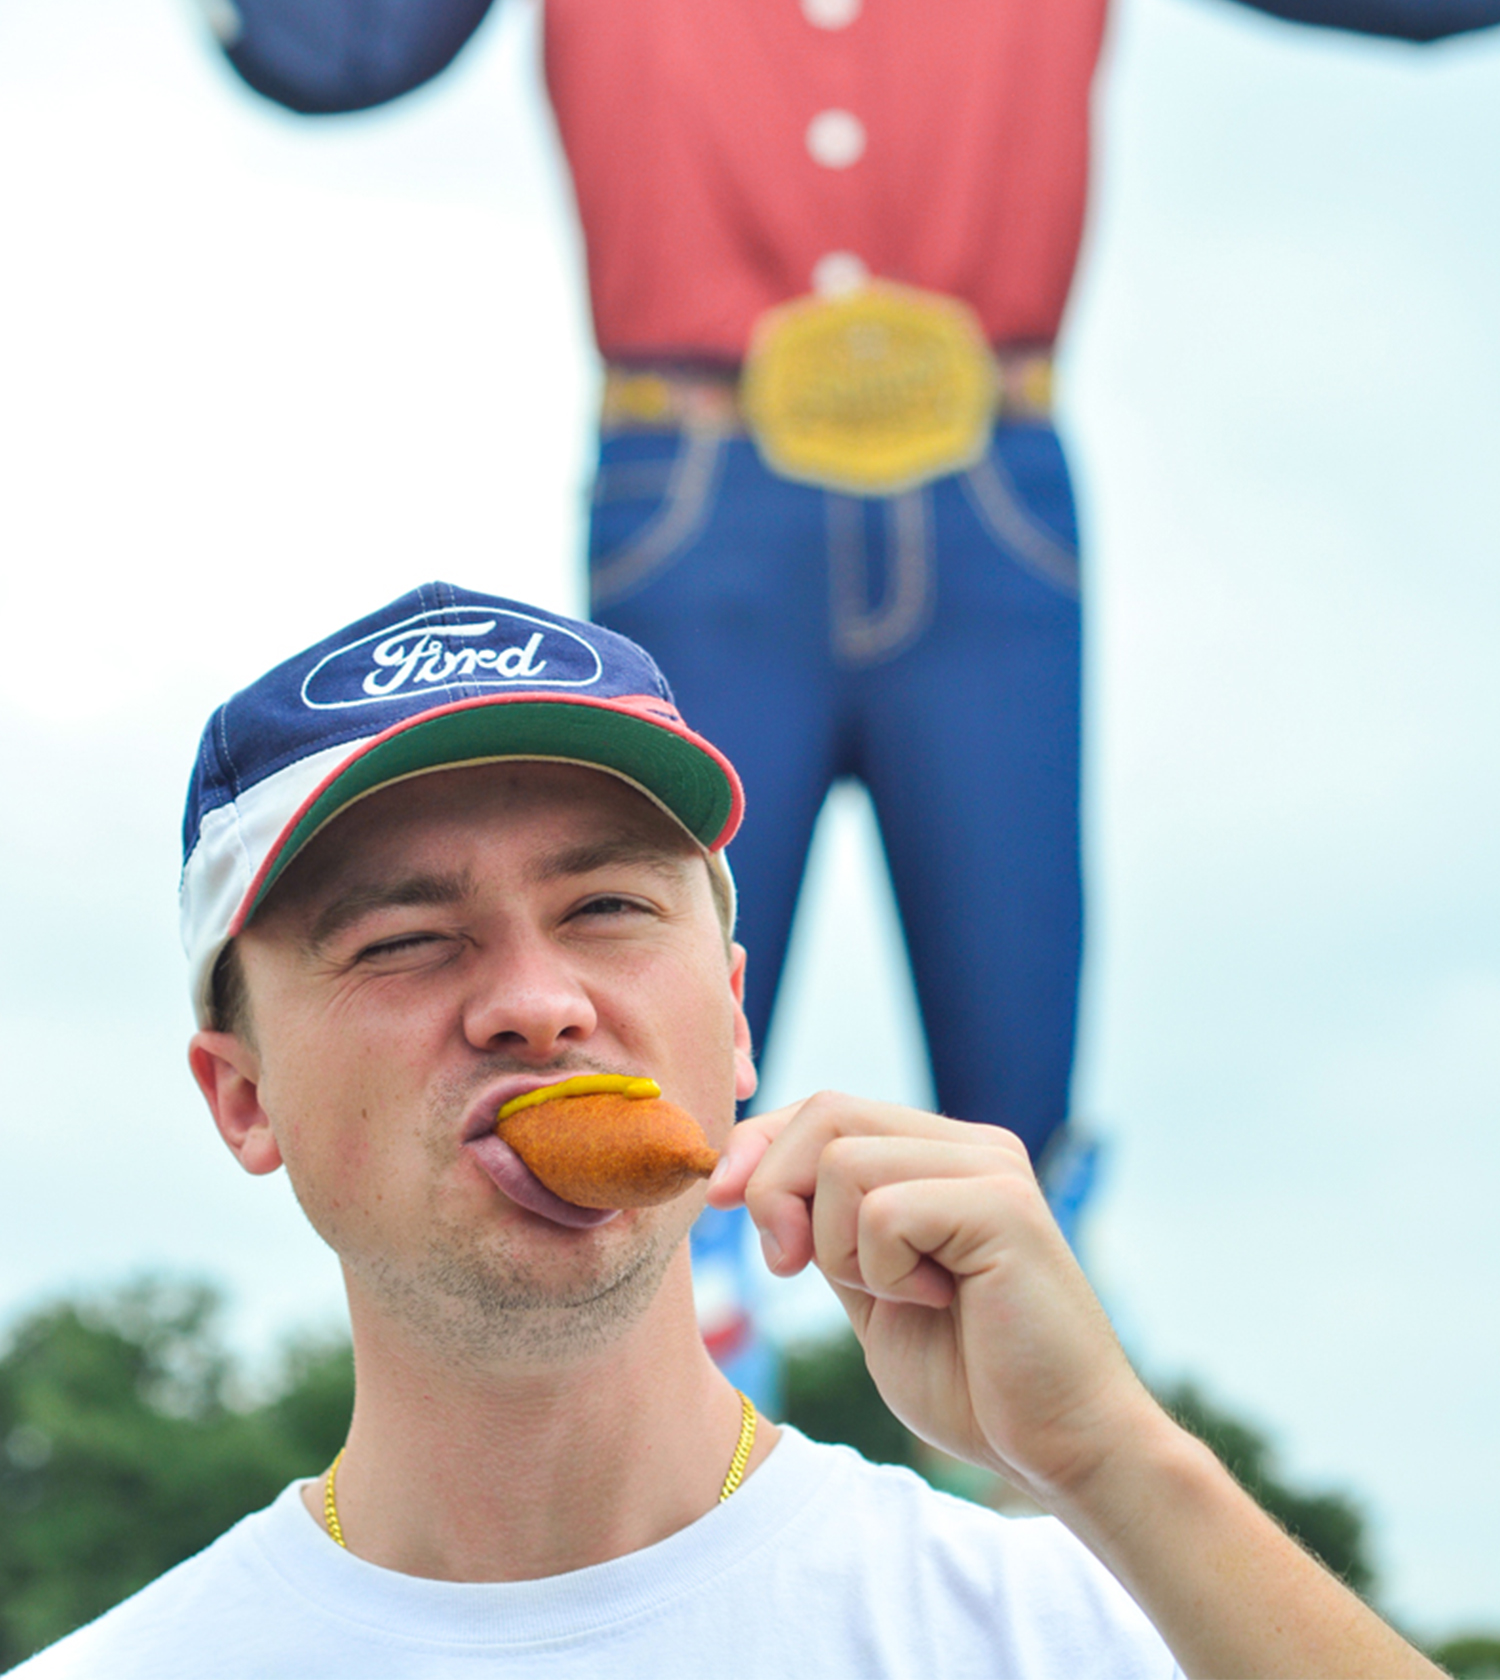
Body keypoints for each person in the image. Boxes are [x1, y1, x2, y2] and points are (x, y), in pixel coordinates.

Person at [15, 582, 1442, 1677]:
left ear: (737, 1023)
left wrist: (1108, 1456)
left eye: (608, 909)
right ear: (243, 1098)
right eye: (403, 941)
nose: (536, 1003)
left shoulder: (1078, 1626)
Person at [199, 0, 1500, 1171]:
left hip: (981, 484)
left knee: (1017, 1050)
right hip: (707, 488)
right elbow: (330, 47)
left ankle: (1018, 1397)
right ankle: (655, 1368)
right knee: (636, 1008)